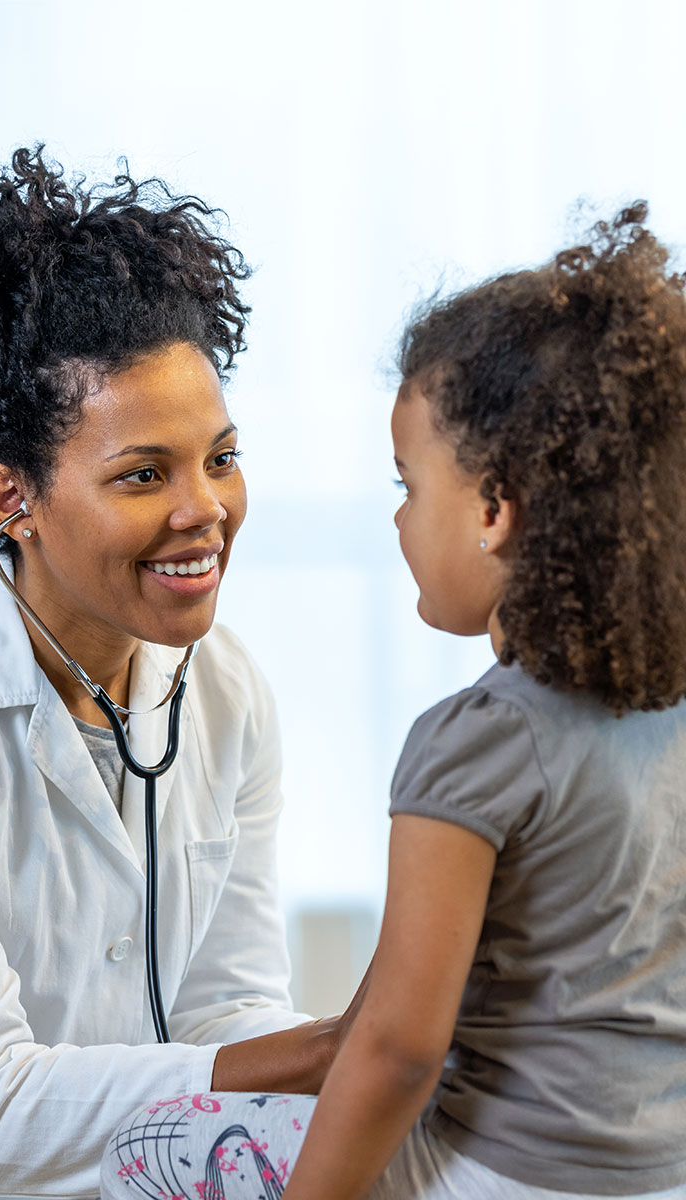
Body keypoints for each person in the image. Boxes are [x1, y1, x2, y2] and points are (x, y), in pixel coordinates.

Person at [103, 204, 686, 1200]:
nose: (396, 516)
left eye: (408, 485)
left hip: (497, 1173)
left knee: (141, 1147)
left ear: (494, 511)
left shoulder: (471, 746)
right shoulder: (664, 711)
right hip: (650, 1171)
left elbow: (396, 1048)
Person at [0, 148, 352, 1200]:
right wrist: (333, 1051)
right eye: (144, 474)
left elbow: (225, 1013)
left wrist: (363, 1065)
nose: (206, 512)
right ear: (12, 498)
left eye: (219, 458)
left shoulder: (224, 689)